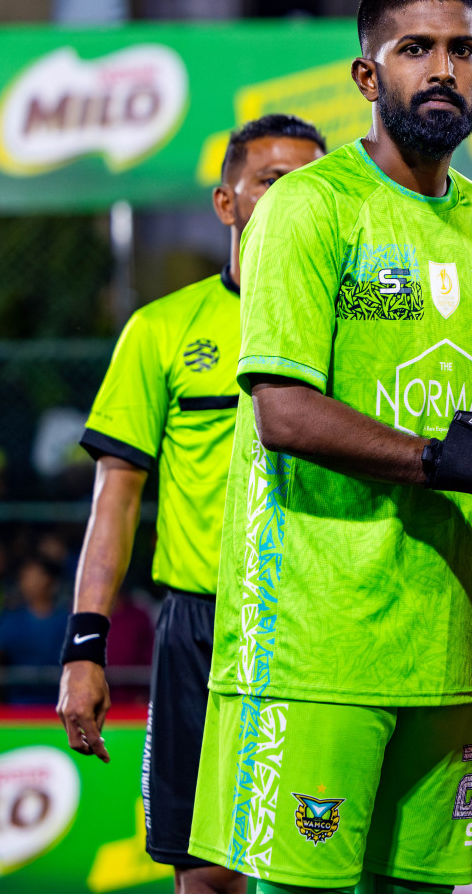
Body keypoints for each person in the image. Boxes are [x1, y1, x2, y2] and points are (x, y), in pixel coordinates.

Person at [186, 0, 472, 894]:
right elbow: (283, 412)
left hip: (439, 653)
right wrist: (446, 462)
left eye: (461, 49)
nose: (441, 69)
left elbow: (462, 409)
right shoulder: (309, 207)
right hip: (314, 642)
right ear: (366, 75)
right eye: (415, 49)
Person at [55, 111, 326, 894]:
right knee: (205, 874)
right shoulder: (161, 331)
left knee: (318, 863)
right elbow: (115, 502)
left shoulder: (352, 333)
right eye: (273, 181)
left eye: (310, 186)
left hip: (321, 625)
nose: (291, 199)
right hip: (201, 627)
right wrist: (84, 648)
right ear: (226, 202)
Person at [0, 555, 67, 704]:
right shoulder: (11, 619)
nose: (25, 582)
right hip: (20, 705)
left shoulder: (67, 621)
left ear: (47, 580)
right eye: (23, 577)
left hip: (59, 704)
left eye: (31, 576)